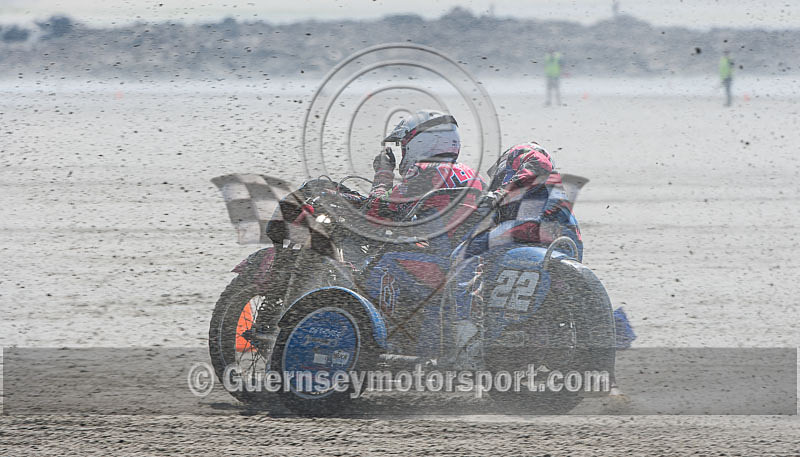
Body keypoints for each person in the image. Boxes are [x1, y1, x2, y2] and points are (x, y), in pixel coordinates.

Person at [366, 110, 484, 241]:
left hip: (439, 255)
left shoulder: (425, 172)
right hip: (467, 249)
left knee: (385, 256)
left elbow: (375, 210)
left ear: (420, 142)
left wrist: (384, 173)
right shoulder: (475, 175)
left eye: (404, 147)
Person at [480, 141, 583, 259]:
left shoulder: (531, 157)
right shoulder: (523, 202)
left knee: (474, 246)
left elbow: (540, 164)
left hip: (550, 245)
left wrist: (498, 195)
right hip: (554, 256)